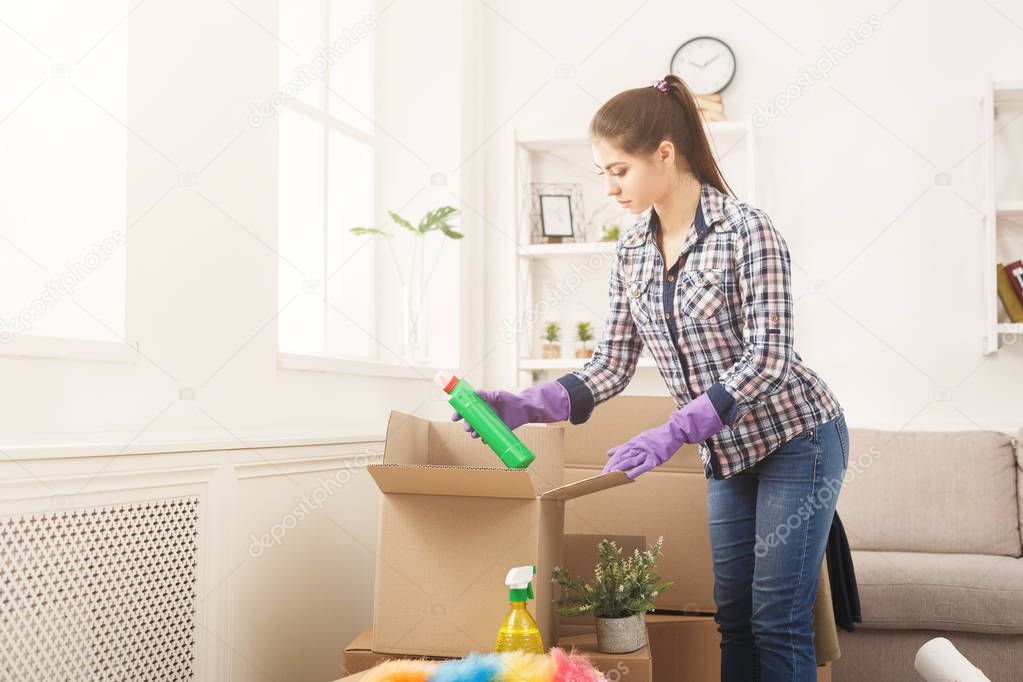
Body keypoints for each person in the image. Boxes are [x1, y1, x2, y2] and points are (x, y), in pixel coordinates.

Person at [452, 74, 849, 681]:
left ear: (665, 153)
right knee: (735, 620)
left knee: (776, 620)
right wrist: (523, 406)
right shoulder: (632, 248)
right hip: (726, 450)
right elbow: (612, 362)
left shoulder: (747, 230)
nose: (609, 188)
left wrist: (675, 429)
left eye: (618, 170)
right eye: (602, 173)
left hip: (799, 439)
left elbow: (770, 357)